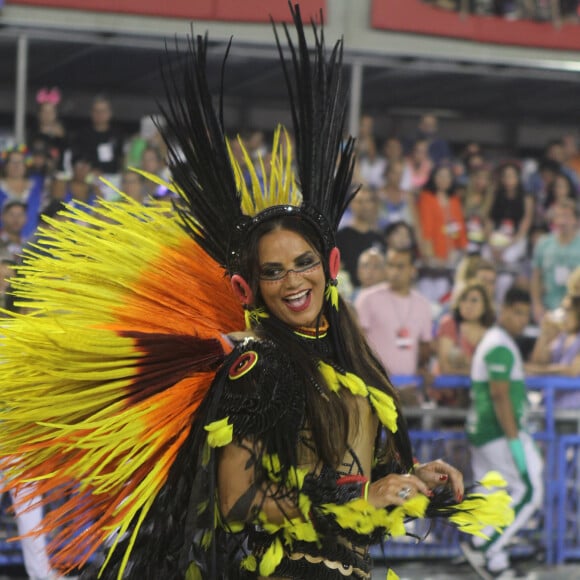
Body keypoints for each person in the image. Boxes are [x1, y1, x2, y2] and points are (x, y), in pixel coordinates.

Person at [0, 7, 511, 580]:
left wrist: (421, 481)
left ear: (331, 265)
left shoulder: (353, 361)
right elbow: (238, 502)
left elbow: (366, 476)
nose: (293, 281)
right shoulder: (255, 364)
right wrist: (357, 503)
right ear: (250, 287)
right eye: (274, 272)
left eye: (304, 263)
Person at [463, 287, 543, 579]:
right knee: (530, 491)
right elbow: (500, 396)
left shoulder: (498, 342)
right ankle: (482, 548)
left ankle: (496, 563)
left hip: (484, 433)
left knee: (493, 496)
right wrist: (515, 442)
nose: (523, 320)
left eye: (527, 314)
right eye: (518, 313)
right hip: (498, 433)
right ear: (505, 310)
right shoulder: (499, 344)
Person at [355, 246, 433, 406]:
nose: (394, 271)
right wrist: (382, 377)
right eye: (390, 265)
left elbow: (424, 348)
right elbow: (356, 344)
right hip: (374, 389)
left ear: (412, 270)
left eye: (400, 266)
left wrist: (423, 368)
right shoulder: (367, 299)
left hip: (409, 392)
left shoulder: (423, 305)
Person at [530, 199, 580, 322]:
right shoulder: (544, 243)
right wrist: (537, 305)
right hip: (549, 306)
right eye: (559, 216)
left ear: (576, 220)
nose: (562, 221)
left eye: (567, 216)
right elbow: (536, 277)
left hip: (576, 307)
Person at [527, 294, 580, 408]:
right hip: (551, 404)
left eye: (567, 310)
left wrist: (537, 370)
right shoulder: (562, 338)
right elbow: (540, 362)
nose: (563, 315)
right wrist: (544, 334)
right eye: (562, 309)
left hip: (573, 410)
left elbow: (572, 371)